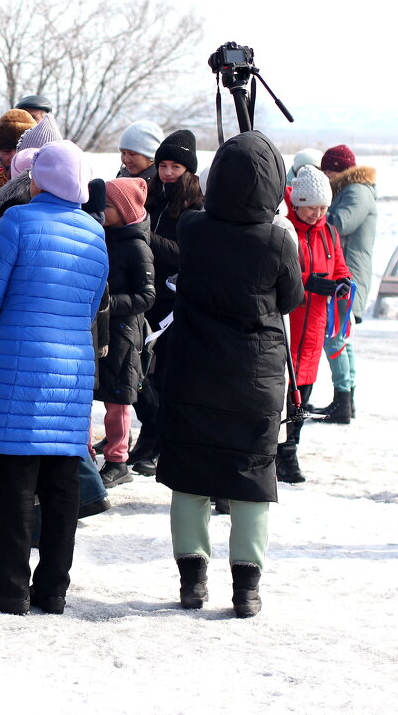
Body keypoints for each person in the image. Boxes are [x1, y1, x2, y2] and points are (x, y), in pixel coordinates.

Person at [156, 131, 304, 618]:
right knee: (250, 477)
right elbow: (290, 300)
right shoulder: (278, 240)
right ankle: (246, 589)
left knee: (190, 474)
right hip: (255, 376)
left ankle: (192, 582)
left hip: (194, 367)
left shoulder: (195, 228)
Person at [0, 140, 107, 616]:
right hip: (73, 364)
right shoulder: (94, 232)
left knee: (18, 476)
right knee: (62, 480)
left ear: (40, 179)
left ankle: (9, 585)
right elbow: (90, 306)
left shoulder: (17, 221)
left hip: (19, 360)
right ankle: (53, 588)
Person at [127, 130, 204, 476]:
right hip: (145, 295)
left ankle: (158, 438)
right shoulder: (150, 196)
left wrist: (147, 237)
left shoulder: (195, 206)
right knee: (138, 373)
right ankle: (151, 431)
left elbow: (187, 255)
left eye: (175, 166)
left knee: (163, 375)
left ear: (188, 169)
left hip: (174, 304)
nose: (168, 172)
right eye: (163, 165)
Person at [278, 165, 351, 482]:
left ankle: (290, 450)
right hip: (290, 323)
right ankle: (277, 451)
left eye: (323, 207)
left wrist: (344, 282)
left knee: (303, 394)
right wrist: (310, 282)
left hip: (315, 326)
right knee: (283, 393)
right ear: (298, 203)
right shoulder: (284, 231)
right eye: (312, 206)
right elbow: (282, 274)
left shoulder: (329, 233)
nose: (317, 213)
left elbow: (340, 267)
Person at [95, 177, 155, 488]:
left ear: (124, 209)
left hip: (123, 333)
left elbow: (147, 296)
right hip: (100, 330)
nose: (101, 211)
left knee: (118, 399)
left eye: (107, 206)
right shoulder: (102, 235)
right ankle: (97, 453)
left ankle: (118, 459)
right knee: (99, 393)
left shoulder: (136, 246)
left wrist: (106, 303)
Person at [312, 145, 376, 423]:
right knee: (340, 336)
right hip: (346, 272)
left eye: (327, 171)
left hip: (347, 274)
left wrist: (311, 210)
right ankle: (344, 399)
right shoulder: (352, 190)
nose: (325, 177)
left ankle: (343, 401)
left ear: (338, 170)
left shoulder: (356, 191)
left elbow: (339, 223)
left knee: (334, 336)